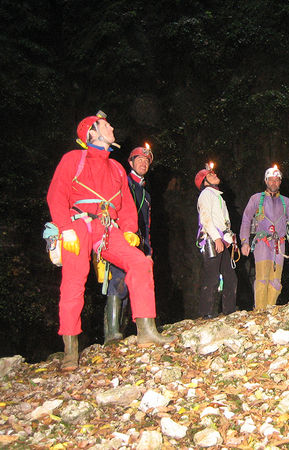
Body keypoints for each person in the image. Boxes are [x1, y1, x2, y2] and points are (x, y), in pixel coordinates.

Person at [46, 111, 174, 371]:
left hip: (108, 227)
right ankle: (70, 349)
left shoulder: (116, 167)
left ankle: (146, 330)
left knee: (139, 262)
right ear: (92, 132)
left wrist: (129, 229)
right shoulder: (73, 159)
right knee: (74, 279)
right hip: (79, 225)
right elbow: (56, 194)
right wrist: (64, 228)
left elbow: (127, 204)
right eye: (105, 125)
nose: (112, 127)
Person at [104, 144, 154, 344]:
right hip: (120, 237)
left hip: (138, 242)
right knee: (118, 280)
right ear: (130, 162)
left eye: (147, 160)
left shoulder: (146, 194)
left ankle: (122, 331)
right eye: (139, 159)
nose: (143, 163)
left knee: (132, 283)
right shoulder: (122, 182)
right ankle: (111, 333)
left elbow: (147, 225)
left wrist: (148, 250)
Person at [240, 165, 289, 310]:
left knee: (276, 280)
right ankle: (260, 310)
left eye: (277, 180)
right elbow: (246, 219)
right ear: (266, 181)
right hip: (262, 242)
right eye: (271, 180)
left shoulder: (287, 202)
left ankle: (270, 308)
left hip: (279, 244)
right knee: (262, 278)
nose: (274, 183)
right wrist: (244, 242)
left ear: (280, 182)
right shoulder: (256, 199)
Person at [195, 163, 238, 318]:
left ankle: (229, 311)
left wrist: (228, 238)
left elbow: (223, 222)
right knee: (212, 277)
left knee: (230, 277)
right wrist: (217, 238)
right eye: (210, 174)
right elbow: (206, 219)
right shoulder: (206, 194)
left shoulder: (218, 196)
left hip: (220, 240)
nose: (214, 174)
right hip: (211, 240)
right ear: (205, 182)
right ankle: (206, 313)